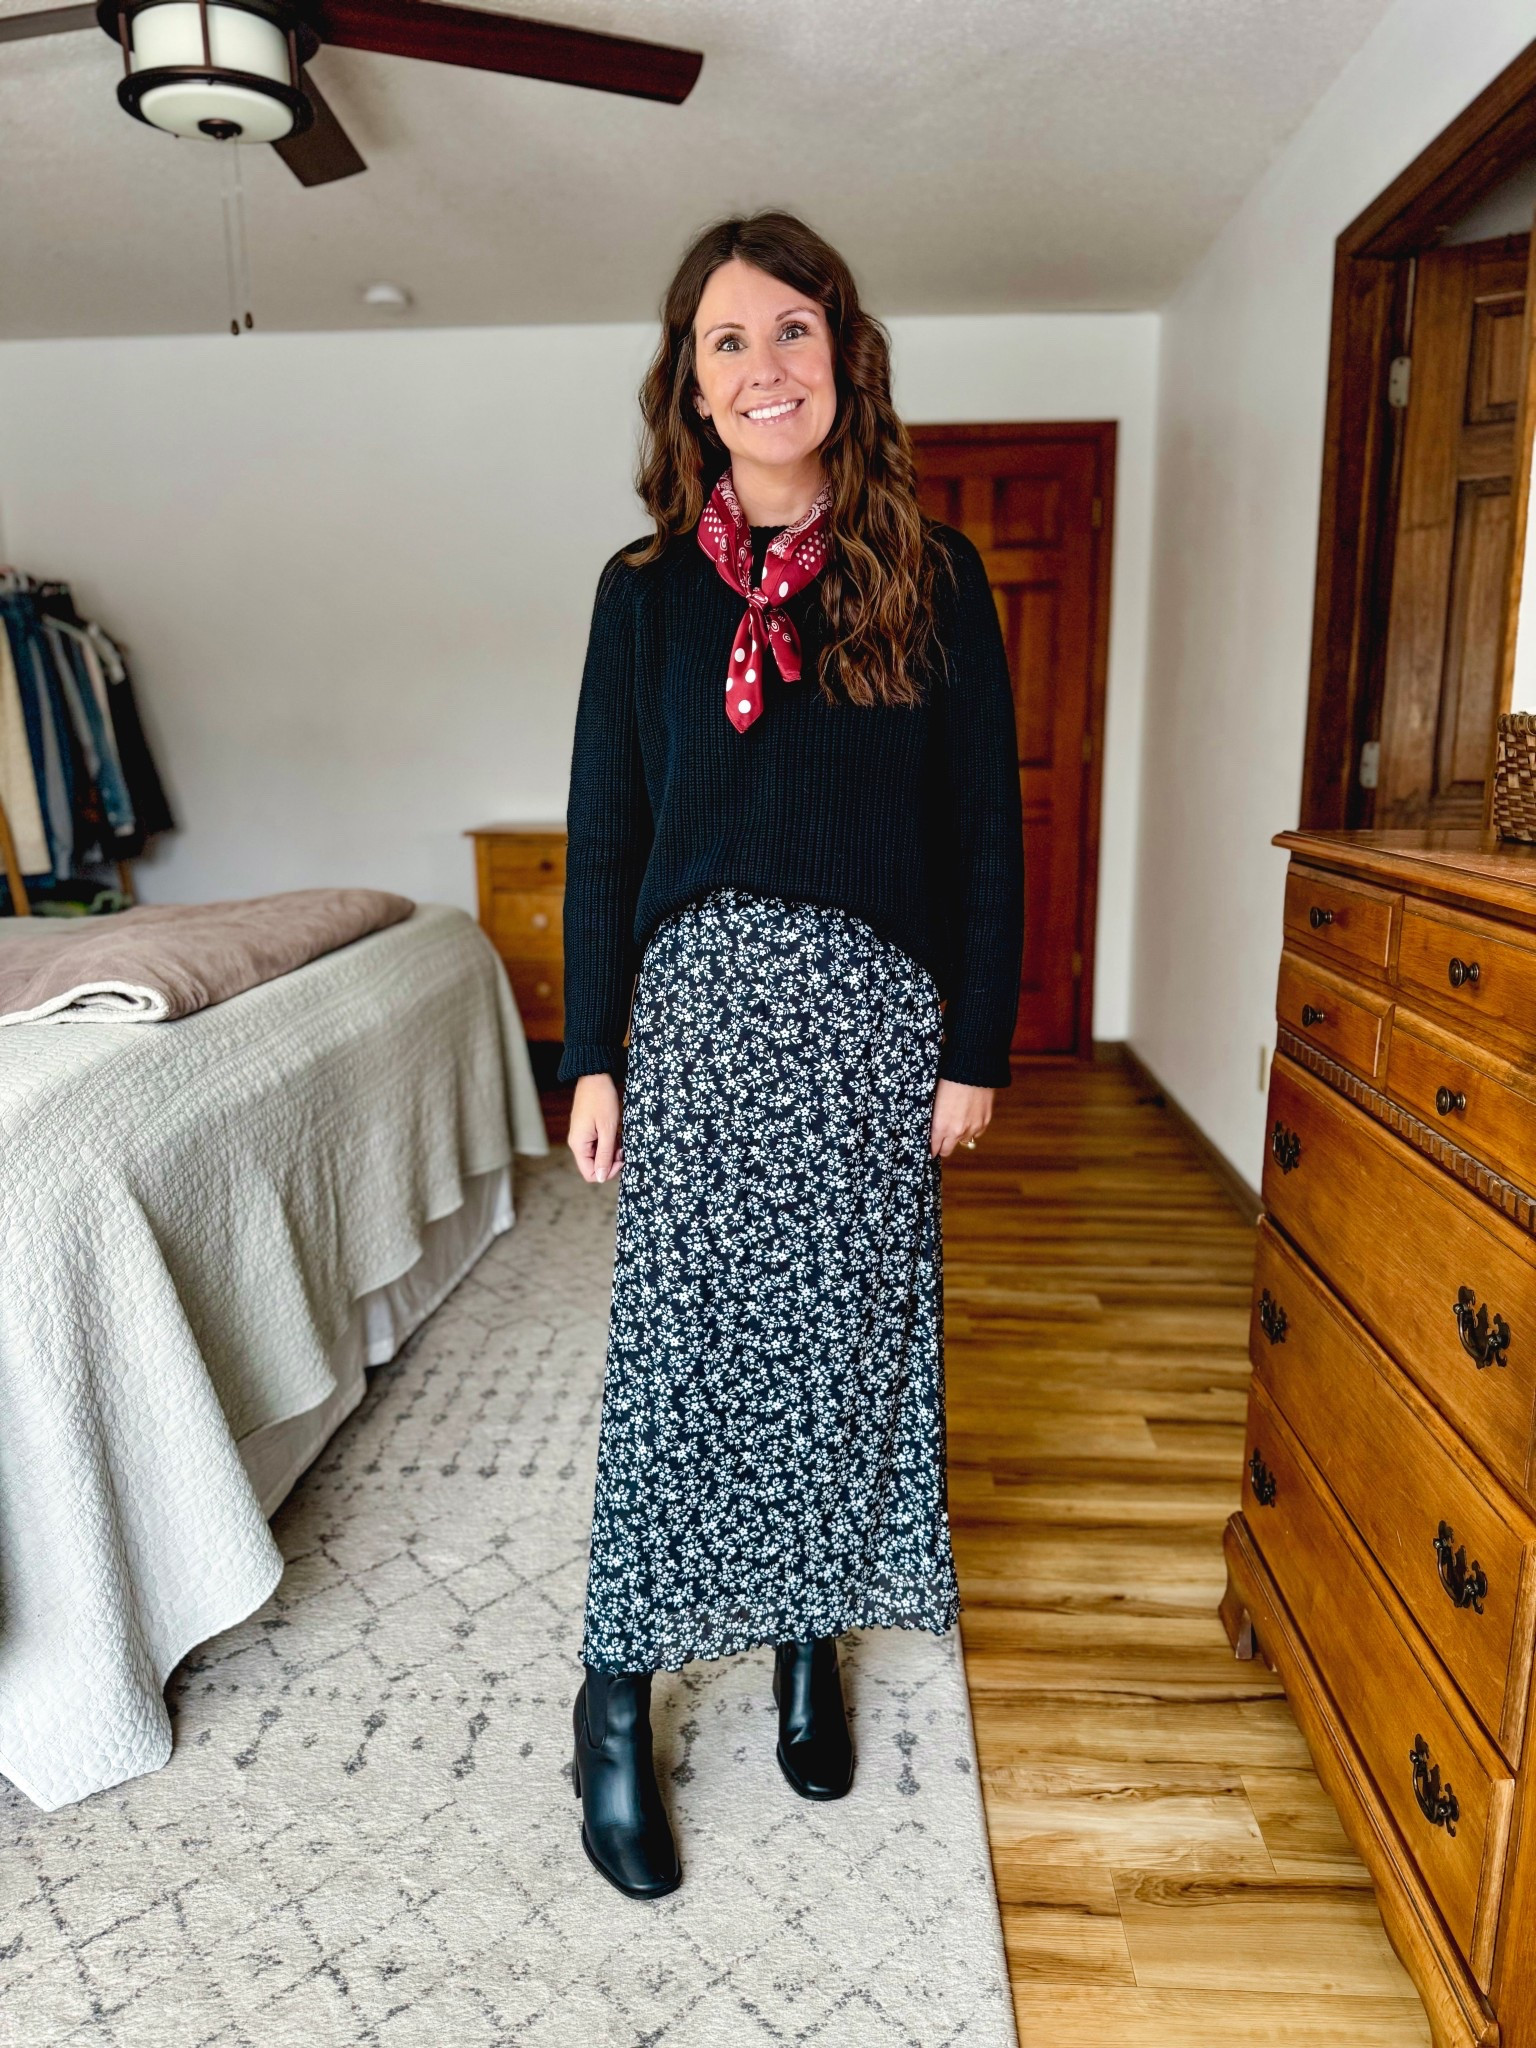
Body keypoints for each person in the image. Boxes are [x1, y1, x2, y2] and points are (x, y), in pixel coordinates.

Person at [559, 210, 1024, 1900]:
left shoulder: (937, 571)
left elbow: (988, 834)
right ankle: (617, 1698)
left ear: (847, 357)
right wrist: (591, 1048)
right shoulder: (641, 597)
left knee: (847, 1354)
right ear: (690, 386)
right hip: (693, 1021)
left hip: (875, 1023)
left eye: (794, 333)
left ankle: (804, 1640)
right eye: (728, 343)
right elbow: (603, 828)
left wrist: (976, 1042)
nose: (766, 368)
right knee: (680, 1365)